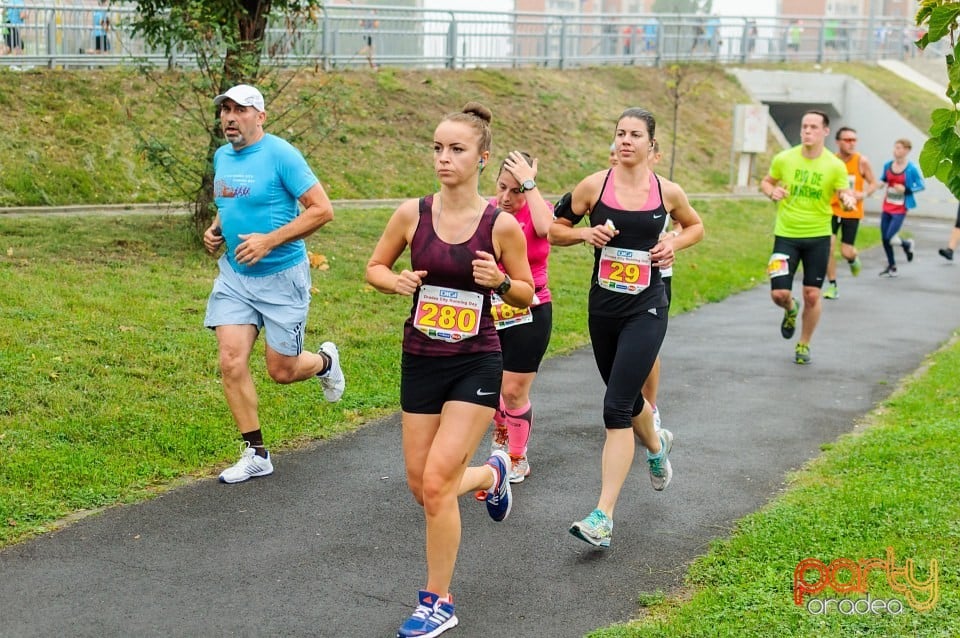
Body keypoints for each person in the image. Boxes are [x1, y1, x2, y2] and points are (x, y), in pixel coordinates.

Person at [365, 102, 534, 638]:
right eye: (438, 148)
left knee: (438, 483)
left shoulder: (500, 225)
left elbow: (527, 293)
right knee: (423, 488)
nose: (444, 158)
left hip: (475, 362)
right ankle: (491, 474)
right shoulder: (411, 213)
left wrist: (500, 283)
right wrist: (392, 282)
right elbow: (374, 266)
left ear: (482, 157)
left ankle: (438, 601)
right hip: (420, 360)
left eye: (456, 149)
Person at [549, 107, 703, 549]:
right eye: (620, 133)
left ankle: (603, 517)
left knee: (615, 408)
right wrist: (584, 235)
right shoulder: (593, 186)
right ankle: (657, 447)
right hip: (604, 308)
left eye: (635, 134)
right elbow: (553, 228)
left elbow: (695, 226)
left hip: (648, 308)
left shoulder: (666, 191)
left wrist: (672, 242)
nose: (626, 141)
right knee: (629, 397)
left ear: (651, 146)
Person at [202, 84, 345, 484]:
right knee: (231, 361)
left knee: (281, 371)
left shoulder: (281, 154)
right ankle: (256, 452)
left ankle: (325, 363)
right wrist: (215, 230)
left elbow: (323, 210)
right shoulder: (222, 157)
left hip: (282, 278)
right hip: (235, 276)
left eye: (240, 110)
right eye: (225, 110)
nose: (230, 117)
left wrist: (270, 240)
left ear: (260, 116)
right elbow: (228, 202)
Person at [761, 110, 855, 365]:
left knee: (813, 294)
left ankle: (803, 343)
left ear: (825, 131)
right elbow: (766, 182)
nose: (807, 131)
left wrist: (847, 200)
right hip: (786, 236)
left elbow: (845, 194)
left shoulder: (835, 165)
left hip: (818, 237)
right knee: (779, 294)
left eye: (814, 127)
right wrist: (773, 191)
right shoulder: (784, 158)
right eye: (804, 126)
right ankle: (791, 308)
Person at [484, 150, 554, 483]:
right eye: (502, 188)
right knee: (490, 386)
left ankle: (517, 456)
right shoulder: (488, 212)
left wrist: (530, 185)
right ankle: (503, 433)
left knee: (513, 390)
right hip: (490, 311)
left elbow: (546, 228)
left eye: (516, 191)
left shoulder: (541, 211)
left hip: (531, 310)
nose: (507, 197)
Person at [823, 126, 878, 300]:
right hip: (831, 210)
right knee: (828, 248)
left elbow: (873, 183)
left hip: (852, 212)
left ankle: (853, 259)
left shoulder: (862, 161)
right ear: (838, 142)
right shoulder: (831, 161)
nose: (851, 143)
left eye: (854, 140)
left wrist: (862, 194)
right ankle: (832, 285)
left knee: (846, 251)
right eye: (847, 140)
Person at [878, 138, 925, 277]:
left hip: (900, 208)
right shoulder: (888, 165)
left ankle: (906, 244)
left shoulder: (911, 168)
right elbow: (883, 179)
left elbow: (921, 185)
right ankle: (892, 266)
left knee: (890, 237)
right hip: (887, 205)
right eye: (895, 147)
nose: (896, 150)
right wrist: (877, 185)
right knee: (884, 238)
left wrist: (906, 189)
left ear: (906, 150)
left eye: (899, 148)